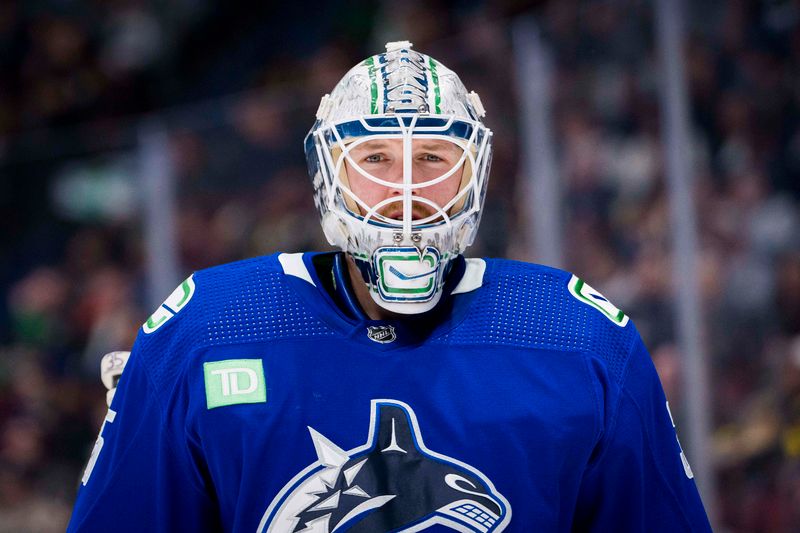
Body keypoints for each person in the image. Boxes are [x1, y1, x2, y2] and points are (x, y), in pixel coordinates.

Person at [67, 41, 712, 532]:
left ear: (474, 175)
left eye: (434, 158)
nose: (406, 193)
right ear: (328, 173)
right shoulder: (203, 330)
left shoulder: (579, 337)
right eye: (375, 159)